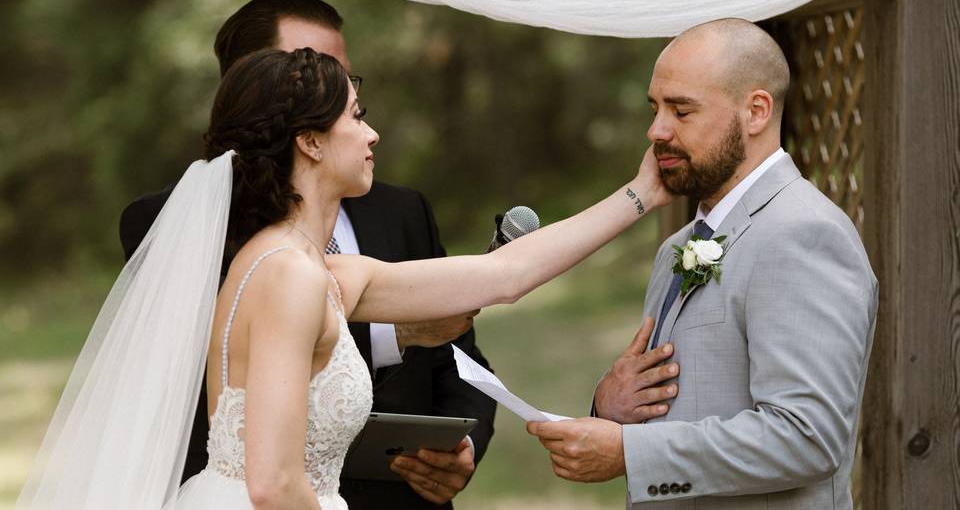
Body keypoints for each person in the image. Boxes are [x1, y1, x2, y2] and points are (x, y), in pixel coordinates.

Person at [16, 46, 672, 509]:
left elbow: (505, 274)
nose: (372, 134)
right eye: (356, 116)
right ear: (309, 141)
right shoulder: (287, 278)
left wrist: (642, 192)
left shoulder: (321, 271)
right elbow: (272, 484)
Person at [118, 0, 497, 508]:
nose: (330, 87)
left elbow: (464, 348)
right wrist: (393, 336)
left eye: (342, 76)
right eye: (307, 72)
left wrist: (465, 446)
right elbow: (217, 371)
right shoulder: (175, 222)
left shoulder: (403, 210)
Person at [527, 18, 878, 509]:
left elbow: (808, 437)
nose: (655, 130)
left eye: (681, 110)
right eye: (655, 108)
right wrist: (612, 407)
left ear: (756, 111)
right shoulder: (678, 246)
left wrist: (631, 451)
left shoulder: (802, 234)